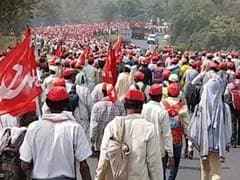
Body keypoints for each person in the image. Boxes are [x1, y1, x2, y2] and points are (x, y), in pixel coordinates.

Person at [20, 87, 92, 180]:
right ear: (66, 104)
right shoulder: (74, 128)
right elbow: (84, 166)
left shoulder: (33, 127)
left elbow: (24, 164)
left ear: (48, 104)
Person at [95, 89, 163, 180]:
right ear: (141, 107)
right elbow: (154, 164)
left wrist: (98, 178)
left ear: (125, 105)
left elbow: (104, 159)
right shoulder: (148, 128)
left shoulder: (112, 126)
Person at [188, 77, 232, 180]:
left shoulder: (199, 107)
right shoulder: (225, 108)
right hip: (217, 144)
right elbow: (228, 127)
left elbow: (194, 127)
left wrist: (190, 146)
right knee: (216, 172)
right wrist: (227, 142)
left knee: (205, 170)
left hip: (203, 143)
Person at [142, 84, 174, 180]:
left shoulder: (142, 108)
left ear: (149, 95)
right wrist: (170, 154)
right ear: (160, 97)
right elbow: (166, 135)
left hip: (143, 148)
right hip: (158, 152)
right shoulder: (162, 112)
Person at [162, 83, 190, 180]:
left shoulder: (162, 104)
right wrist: (188, 145)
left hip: (163, 139)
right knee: (175, 164)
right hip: (177, 140)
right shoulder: (183, 107)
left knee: (163, 163)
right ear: (179, 94)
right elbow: (186, 127)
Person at [90, 83, 125, 158]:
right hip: (115, 140)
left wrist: (92, 141)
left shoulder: (97, 106)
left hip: (100, 141)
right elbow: (123, 123)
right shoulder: (119, 105)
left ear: (102, 93)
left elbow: (94, 125)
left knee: (101, 165)